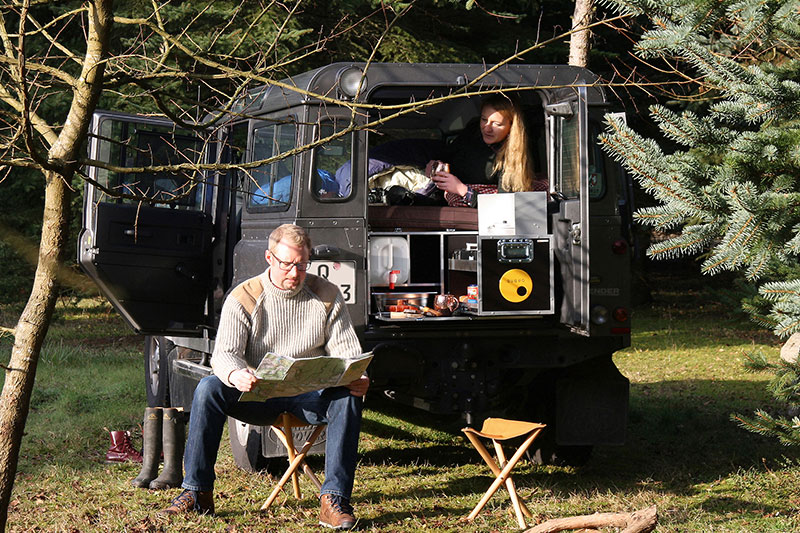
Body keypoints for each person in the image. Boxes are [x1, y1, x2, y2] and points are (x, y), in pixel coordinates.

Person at [160, 223, 369, 531]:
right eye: (287, 264)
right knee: (208, 388)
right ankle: (196, 491)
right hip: (258, 394)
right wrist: (235, 374)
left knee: (348, 397)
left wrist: (358, 377)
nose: (294, 273)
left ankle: (334, 501)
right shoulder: (244, 296)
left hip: (309, 396)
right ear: (269, 258)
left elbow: (348, 354)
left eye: (301, 265)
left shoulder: (326, 294)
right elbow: (225, 354)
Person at [426, 93, 540, 207]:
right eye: (484, 119)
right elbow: (446, 155)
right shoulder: (472, 133)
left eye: (497, 124)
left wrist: (462, 190)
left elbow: (503, 207)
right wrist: (435, 165)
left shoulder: (512, 158)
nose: (487, 128)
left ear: (511, 127)